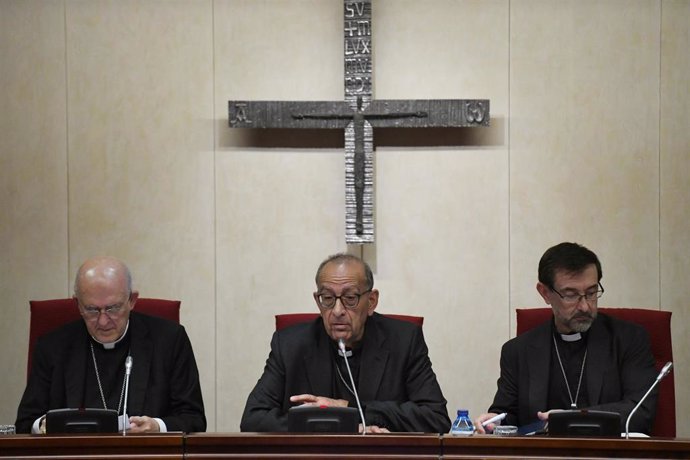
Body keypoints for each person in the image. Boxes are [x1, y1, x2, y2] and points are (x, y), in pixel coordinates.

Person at [241, 253, 450, 433]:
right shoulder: (290, 344)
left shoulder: (403, 341)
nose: (338, 311)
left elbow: (436, 418)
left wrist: (350, 410)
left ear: (371, 302)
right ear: (317, 300)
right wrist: (339, 426)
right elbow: (252, 418)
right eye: (328, 298)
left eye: (350, 298)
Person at [475, 242, 658, 435]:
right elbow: (508, 415)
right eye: (571, 295)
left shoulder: (629, 340)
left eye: (591, 293)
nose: (585, 306)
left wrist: (573, 418)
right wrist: (494, 422)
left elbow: (641, 412)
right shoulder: (518, 351)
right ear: (545, 293)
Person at [15, 256, 206, 434]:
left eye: (113, 308)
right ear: (78, 304)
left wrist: (157, 426)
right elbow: (25, 422)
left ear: (132, 300)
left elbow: (194, 418)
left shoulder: (169, 340)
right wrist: (44, 425)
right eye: (91, 310)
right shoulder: (53, 347)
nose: (103, 321)